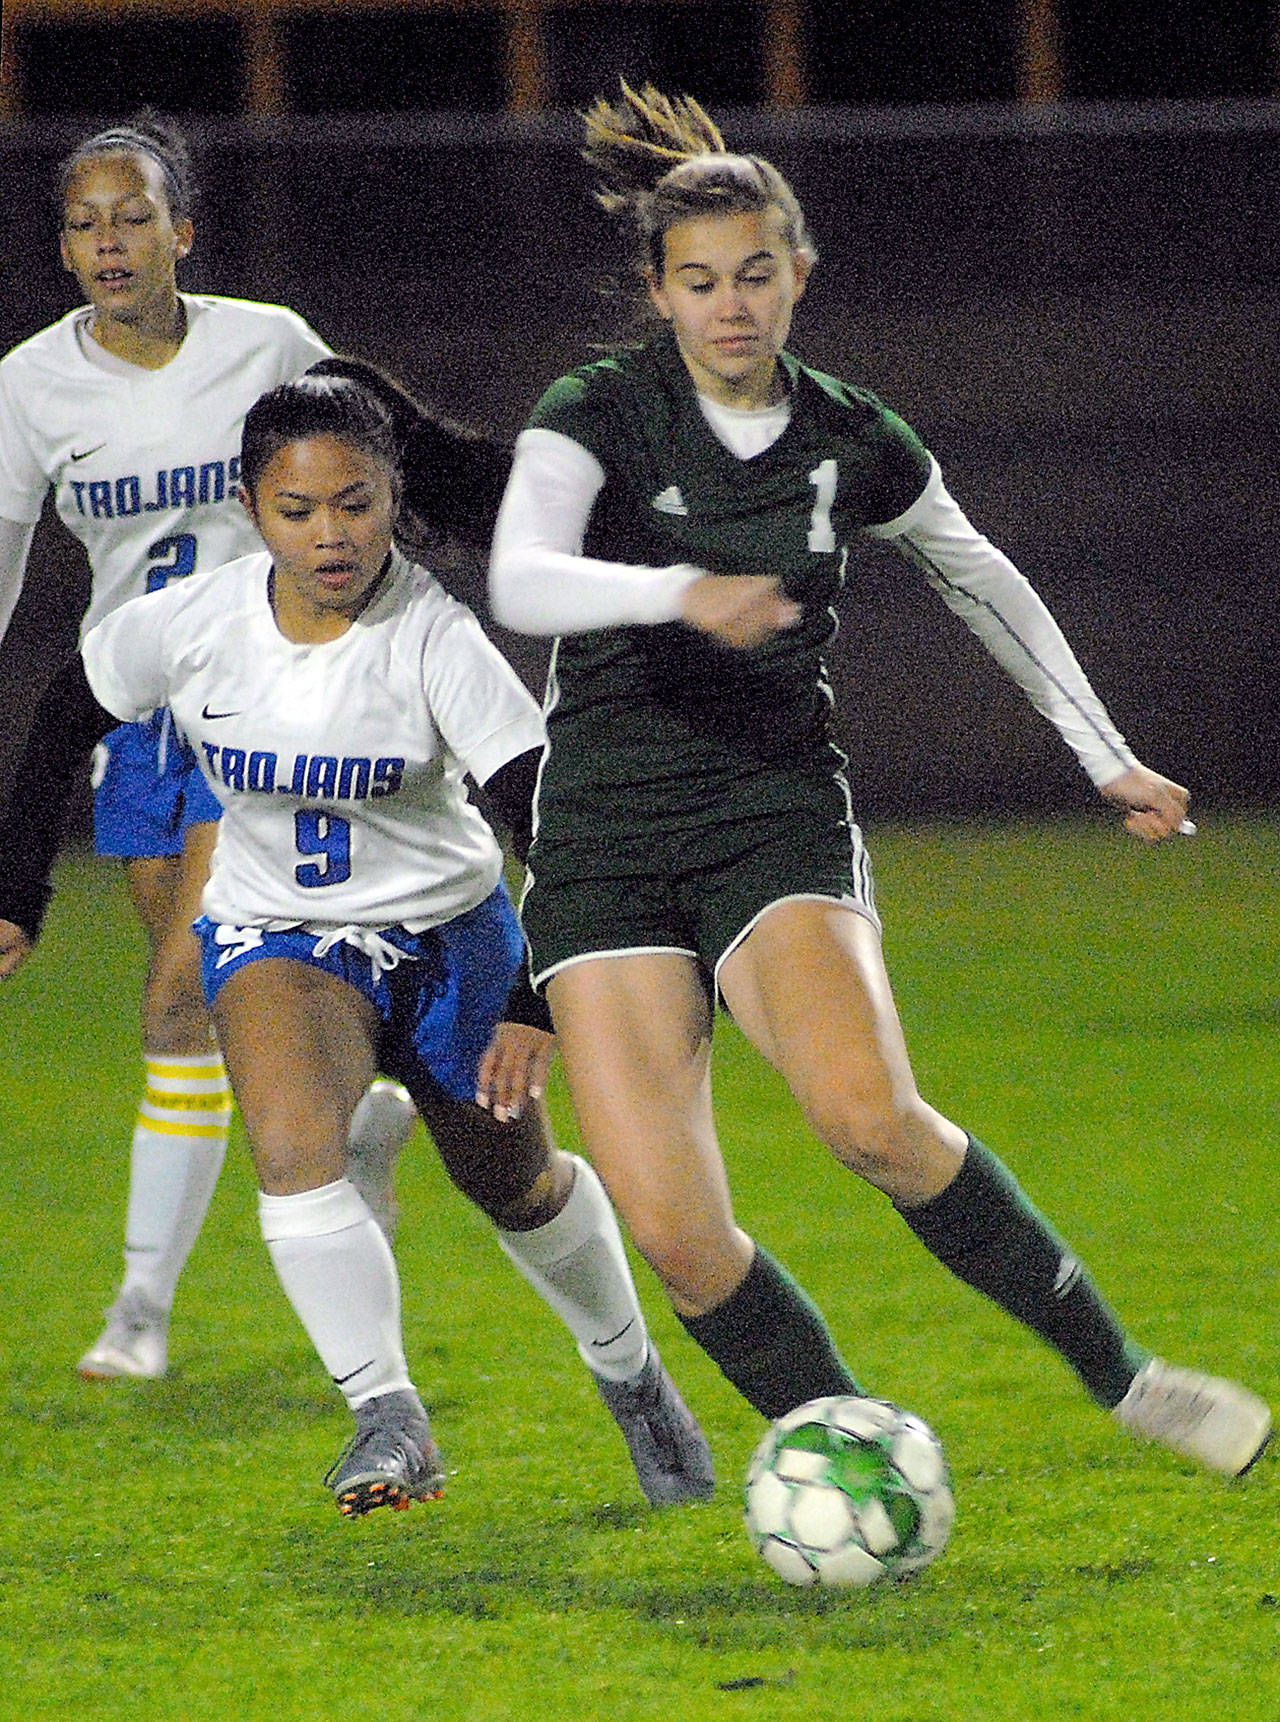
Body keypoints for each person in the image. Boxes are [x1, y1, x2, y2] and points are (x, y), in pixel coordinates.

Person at [487, 82, 1271, 1478]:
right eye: (700, 281)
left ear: (799, 274)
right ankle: (854, 1449)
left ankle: (1131, 1377)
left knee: (866, 1118)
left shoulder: (852, 435)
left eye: (756, 274)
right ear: (658, 292)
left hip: (771, 807)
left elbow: (983, 578)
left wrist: (1105, 755)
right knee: (672, 1229)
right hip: (601, 831)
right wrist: (683, 591)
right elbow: (520, 572)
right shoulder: (599, 408)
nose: (731, 305)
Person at [0, 373, 714, 1515]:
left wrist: (532, 996)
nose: (330, 534)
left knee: (515, 1187)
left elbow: (547, 825)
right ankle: (387, 1415)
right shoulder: (192, 624)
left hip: (449, 938)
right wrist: (15, 889)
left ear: (392, 497)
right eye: (297, 510)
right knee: (290, 1149)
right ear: (248, 506)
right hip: (280, 934)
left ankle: (631, 1377)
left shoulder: (432, 636)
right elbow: (58, 718)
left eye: (356, 503)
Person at [0, 114, 431, 1380]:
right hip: (136, 721)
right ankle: (356, 1122)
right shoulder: (28, 386)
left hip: (276, 705)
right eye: (83, 223)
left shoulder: (273, 345)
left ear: (182, 230)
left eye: (132, 216)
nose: (108, 242)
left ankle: (139, 1311)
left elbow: (369, 480)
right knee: (218, 1004)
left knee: (179, 993)